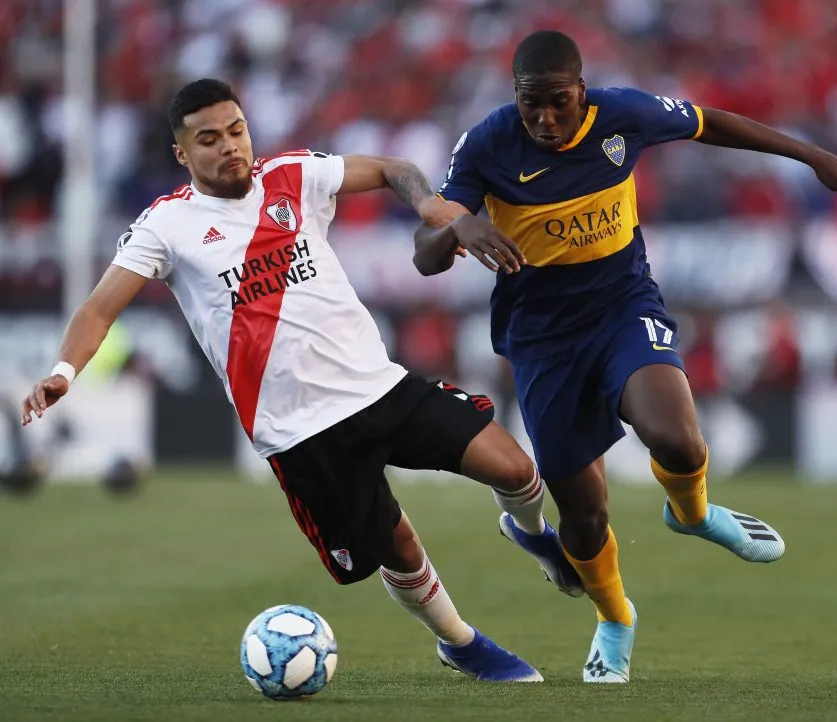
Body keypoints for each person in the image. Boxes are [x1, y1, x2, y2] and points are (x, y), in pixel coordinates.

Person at [20, 78, 580, 683]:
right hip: (299, 432)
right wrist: (62, 372)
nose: (230, 146)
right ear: (183, 154)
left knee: (517, 469)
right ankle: (461, 643)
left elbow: (395, 167)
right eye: (209, 140)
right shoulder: (167, 226)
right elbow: (98, 309)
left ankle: (532, 534)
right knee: (399, 550)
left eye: (236, 130)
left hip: (378, 386)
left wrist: (428, 205)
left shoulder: (294, 174)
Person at [414, 30, 837, 683]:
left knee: (677, 440)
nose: (544, 118)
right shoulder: (488, 144)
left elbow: (714, 125)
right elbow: (422, 254)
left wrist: (814, 158)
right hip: (543, 341)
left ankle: (693, 514)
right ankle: (616, 619)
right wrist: (456, 227)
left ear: (581, 90)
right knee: (584, 517)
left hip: (622, 307)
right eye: (530, 104)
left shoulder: (623, 114)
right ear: (514, 99)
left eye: (558, 102)